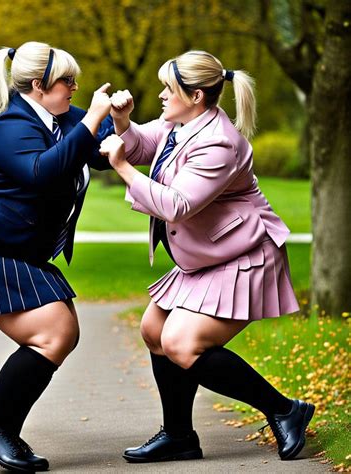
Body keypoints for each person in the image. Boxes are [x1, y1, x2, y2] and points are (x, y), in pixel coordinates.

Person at [100, 50, 315, 463]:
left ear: (196, 95)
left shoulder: (219, 142)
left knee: (181, 343)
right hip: (210, 254)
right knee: (153, 330)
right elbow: (148, 144)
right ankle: (179, 436)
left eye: (169, 89)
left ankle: (286, 411)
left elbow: (178, 204)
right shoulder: (181, 122)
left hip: (244, 254)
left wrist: (124, 168)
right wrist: (124, 124)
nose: (162, 96)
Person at [0, 41, 112, 472]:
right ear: (38, 85)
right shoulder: (9, 126)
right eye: (66, 81)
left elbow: (100, 152)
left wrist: (119, 123)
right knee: (55, 332)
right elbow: (42, 172)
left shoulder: (61, 116)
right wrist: (92, 119)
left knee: (61, 332)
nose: (75, 88)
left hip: (18, 246)